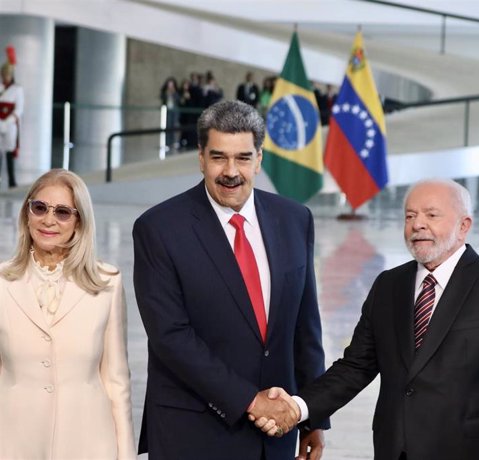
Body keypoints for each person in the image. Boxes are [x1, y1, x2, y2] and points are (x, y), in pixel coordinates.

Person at [255, 178, 479, 460]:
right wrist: (297, 407)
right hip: (396, 449)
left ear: (464, 227)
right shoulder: (388, 285)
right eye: (410, 216)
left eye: (431, 215)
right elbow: (355, 367)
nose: (417, 224)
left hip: (474, 450)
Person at [133, 99, 328, 459]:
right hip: (194, 433)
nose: (230, 171)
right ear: (201, 157)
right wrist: (250, 401)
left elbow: (305, 327)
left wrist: (311, 414)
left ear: (259, 159)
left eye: (242, 158)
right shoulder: (159, 229)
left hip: (275, 436)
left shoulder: (295, 219)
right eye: (219, 156)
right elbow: (171, 337)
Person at [0, 169, 136, 459]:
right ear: (27, 214)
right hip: (14, 444)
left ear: (79, 222)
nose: (48, 220)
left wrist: (126, 455)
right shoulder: (1, 281)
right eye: (39, 208)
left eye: (63, 212)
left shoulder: (107, 282)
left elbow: (116, 382)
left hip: (89, 445)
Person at [0, 45, 23, 188]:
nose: (5, 77)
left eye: (8, 74)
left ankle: (12, 181)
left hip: (10, 125)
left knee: (9, 152)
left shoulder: (17, 89)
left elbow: (19, 109)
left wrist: (7, 122)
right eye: (4, 74)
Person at [159, 76, 180, 151]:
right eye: (169, 85)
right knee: (168, 127)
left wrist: (173, 93)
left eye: (172, 85)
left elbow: (178, 100)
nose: (170, 86)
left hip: (174, 111)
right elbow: (162, 98)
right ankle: (167, 143)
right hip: (167, 111)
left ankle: (174, 142)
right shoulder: (165, 92)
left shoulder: (176, 92)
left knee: (174, 127)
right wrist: (167, 94)